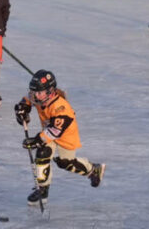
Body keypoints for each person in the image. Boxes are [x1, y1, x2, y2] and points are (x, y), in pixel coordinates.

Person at [14, 70, 105, 207]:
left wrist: (37, 140)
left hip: (65, 136)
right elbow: (28, 99)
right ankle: (42, 190)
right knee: (42, 153)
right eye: (34, 92)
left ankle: (93, 169)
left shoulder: (61, 108)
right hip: (49, 131)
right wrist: (23, 109)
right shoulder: (40, 96)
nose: (36, 96)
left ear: (50, 91)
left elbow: (54, 131)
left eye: (39, 92)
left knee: (66, 163)